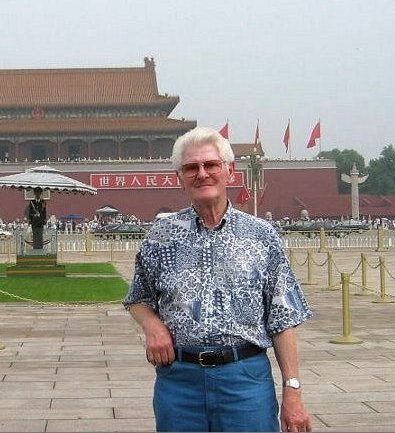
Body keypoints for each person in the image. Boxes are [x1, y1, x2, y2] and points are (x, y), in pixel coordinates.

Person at [123, 127, 313, 432]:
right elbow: (138, 298)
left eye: (210, 165)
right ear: (179, 178)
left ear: (229, 171)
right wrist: (152, 325)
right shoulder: (161, 237)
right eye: (191, 167)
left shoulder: (261, 236)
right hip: (180, 382)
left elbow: (282, 318)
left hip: (245, 380)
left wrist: (293, 389)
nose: (202, 174)